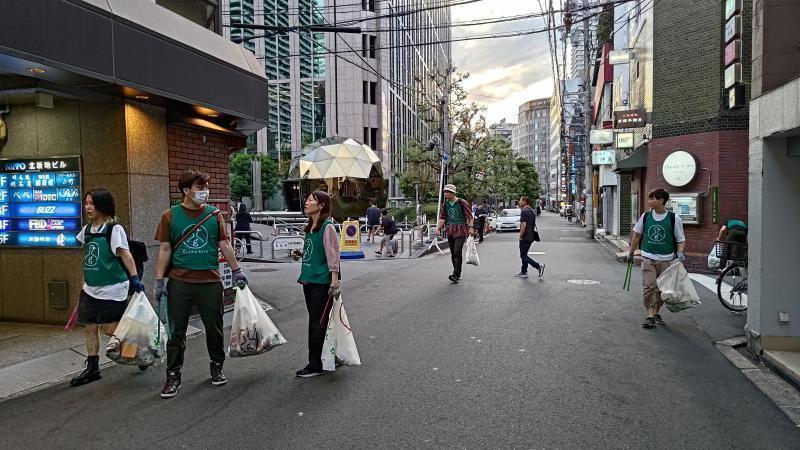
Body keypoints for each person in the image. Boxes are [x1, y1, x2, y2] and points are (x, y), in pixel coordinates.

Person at [153, 170, 248, 398]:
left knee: (214, 328)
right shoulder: (170, 216)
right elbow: (165, 248)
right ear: (186, 190)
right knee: (177, 332)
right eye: (199, 187)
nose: (204, 191)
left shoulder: (214, 215)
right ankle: (173, 375)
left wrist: (237, 271)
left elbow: (224, 244)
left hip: (210, 282)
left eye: (206, 186)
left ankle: (217, 366)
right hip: (180, 282)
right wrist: (158, 280)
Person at [70, 188, 145, 387]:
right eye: (86, 203)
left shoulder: (113, 229)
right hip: (91, 289)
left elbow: (125, 254)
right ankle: (93, 368)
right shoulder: (86, 230)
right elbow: (86, 256)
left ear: (103, 206)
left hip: (113, 288)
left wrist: (135, 279)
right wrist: (84, 280)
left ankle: (138, 349)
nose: (87, 207)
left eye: (92, 203)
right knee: (90, 327)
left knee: (111, 329)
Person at [295, 191, 340, 377]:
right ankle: (328, 357)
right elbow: (316, 253)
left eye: (311, 200)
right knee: (318, 322)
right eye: (307, 199)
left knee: (316, 323)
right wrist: (300, 254)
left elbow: (333, 255)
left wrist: (334, 282)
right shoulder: (310, 227)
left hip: (322, 283)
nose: (306, 202)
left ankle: (315, 365)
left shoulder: (327, 227)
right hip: (308, 280)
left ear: (321, 205)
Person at [628, 188, 686, 329]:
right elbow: (637, 235)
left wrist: (680, 252)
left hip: (666, 259)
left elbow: (680, 239)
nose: (649, 201)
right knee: (649, 287)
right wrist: (631, 252)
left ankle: (656, 311)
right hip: (648, 258)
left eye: (652, 198)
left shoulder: (673, 218)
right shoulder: (646, 216)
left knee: (661, 290)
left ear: (661, 200)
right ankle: (649, 315)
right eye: (649, 198)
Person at [434, 184, 474, 283]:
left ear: (453, 193)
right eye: (444, 192)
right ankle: (457, 273)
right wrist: (437, 228)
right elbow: (443, 218)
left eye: (447, 192)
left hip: (461, 229)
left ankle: (456, 274)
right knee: (453, 253)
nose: (445, 194)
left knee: (457, 252)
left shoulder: (462, 202)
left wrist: (471, 228)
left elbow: (470, 216)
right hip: (450, 229)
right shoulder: (446, 204)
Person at [515, 196, 546, 278]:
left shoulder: (524, 211)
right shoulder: (532, 211)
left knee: (523, 255)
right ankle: (524, 271)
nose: (519, 202)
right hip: (531, 236)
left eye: (520, 201)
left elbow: (523, 225)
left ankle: (538, 266)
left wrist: (521, 235)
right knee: (524, 254)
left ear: (524, 201)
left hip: (525, 236)